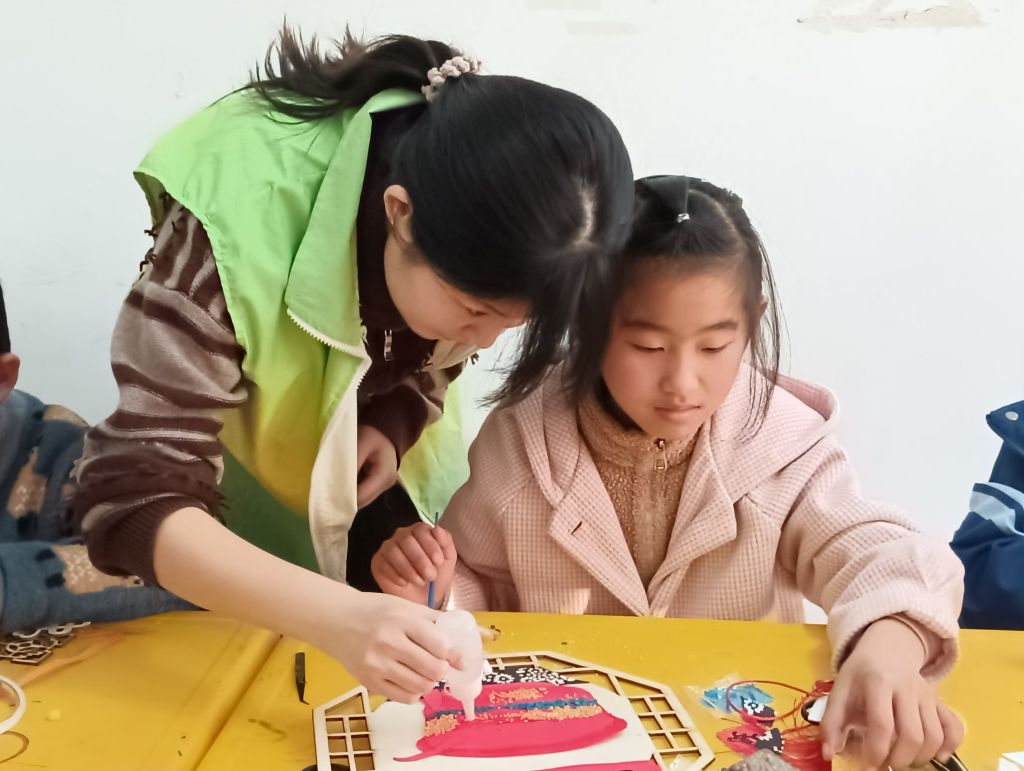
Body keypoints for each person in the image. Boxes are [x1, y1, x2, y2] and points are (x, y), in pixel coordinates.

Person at [72, 28, 634, 703]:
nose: (483, 338)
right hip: (225, 522)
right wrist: (338, 617)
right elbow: (130, 503)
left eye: (513, 323)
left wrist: (394, 418)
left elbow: (439, 351)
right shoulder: (229, 232)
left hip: (359, 504)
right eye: (473, 309)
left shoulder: (477, 216)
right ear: (400, 214)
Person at [373, 175, 965, 765]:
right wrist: (434, 590)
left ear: (752, 322)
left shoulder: (782, 443)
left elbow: (883, 553)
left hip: (736, 734)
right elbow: (482, 592)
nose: (682, 383)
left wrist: (889, 650)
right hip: (579, 741)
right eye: (649, 348)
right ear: (587, 322)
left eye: (713, 348)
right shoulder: (520, 443)